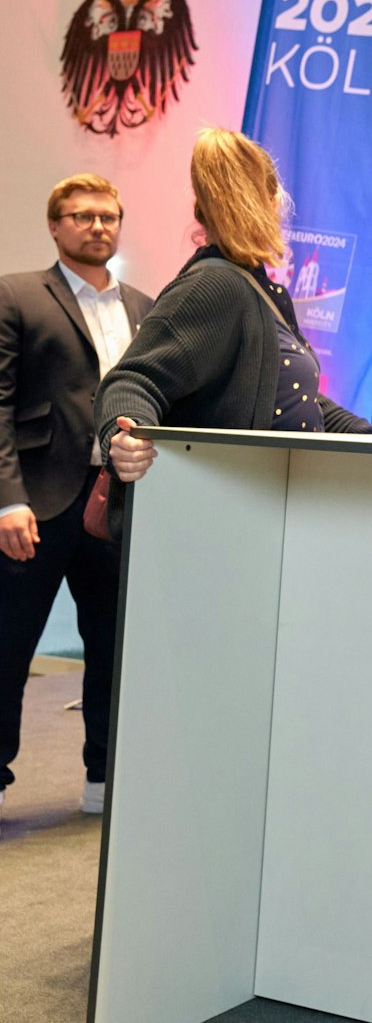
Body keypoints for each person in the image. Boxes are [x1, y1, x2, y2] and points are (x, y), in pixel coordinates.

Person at [98, 129, 372, 491]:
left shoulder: (257, 290)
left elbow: (295, 397)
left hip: (265, 506)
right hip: (223, 508)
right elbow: (132, 381)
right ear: (269, 200)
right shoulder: (214, 286)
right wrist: (125, 437)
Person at [0, 175, 153, 821]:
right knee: (7, 649)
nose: (98, 225)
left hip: (116, 507)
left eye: (109, 215)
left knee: (115, 651)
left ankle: (103, 779)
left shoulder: (147, 308)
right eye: (82, 215)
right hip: (35, 505)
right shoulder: (16, 295)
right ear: (55, 226)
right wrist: (7, 499)